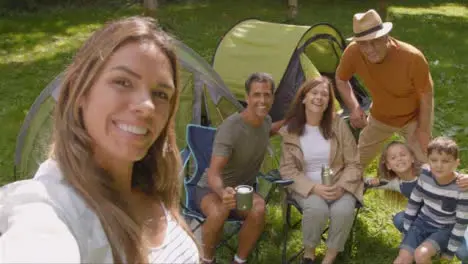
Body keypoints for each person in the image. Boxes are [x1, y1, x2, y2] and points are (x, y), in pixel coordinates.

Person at [0, 16, 199, 263]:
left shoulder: (150, 181)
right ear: (80, 92)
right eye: (123, 82)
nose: (147, 106)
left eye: (160, 94)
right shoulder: (50, 209)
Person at [194, 72, 281, 264]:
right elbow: (214, 172)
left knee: (258, 209)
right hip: (210, 189)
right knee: (219, 212)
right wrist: (221, 191)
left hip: (242, 192)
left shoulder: (265, 122)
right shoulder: (231, 128)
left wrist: (295, 119)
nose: (262, 100)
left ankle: (238, 260)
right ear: (247, 97)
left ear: (273, 98)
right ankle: (206, 260)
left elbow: (270, 130)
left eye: (267, 95)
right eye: (257, 95)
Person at [279, 77, 364, 264]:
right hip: (307, 187)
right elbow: (288, 170)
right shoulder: (290, 130)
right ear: (303, 98)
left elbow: (354, 163)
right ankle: (309, 254)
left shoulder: (338, 124)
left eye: (324, 94)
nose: (319, 97)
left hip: (339, 183)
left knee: (343, 210)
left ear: (328, 102)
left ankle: (329, 258)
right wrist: (314, 188)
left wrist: (342, 187)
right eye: (314, 93)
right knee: (316, 208)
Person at [335, 9, 434, 168]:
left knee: (430, 167)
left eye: (374, 41)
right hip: (380, 117)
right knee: (354, 166)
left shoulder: (412, 57)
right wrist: (354, 107)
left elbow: (426, 95)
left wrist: (423, 131)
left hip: (413, 118)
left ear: (385, 37)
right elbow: (340, 79)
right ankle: (348, 190)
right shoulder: (353, 51)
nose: (369, 49)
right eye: (363, 43)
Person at [393, 137, 468, 264]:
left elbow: (461, 222)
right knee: (402, 259)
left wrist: (449, 252)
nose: (439, 165)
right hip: (421, 223)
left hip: (444, 228)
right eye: (434, 160)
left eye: (445, 161)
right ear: (428, 161)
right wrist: (407, 232)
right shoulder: (425, 176)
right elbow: (413, 203)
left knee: (420, 255)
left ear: (456, 163)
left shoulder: (461, 188)